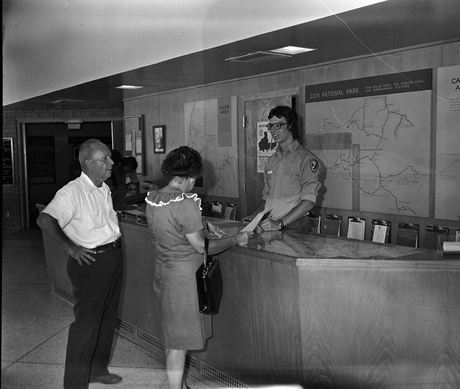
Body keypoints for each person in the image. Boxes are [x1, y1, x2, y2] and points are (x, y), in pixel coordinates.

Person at [145, 146, 250, 389]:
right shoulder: (185, 203)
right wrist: (236, 239)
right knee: (178, 345)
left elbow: (171, 224)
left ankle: (179, 385)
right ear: (190, 176)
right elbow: (202, 247)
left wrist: (201, 223)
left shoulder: (154, 198)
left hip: (164, 273)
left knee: (173, 338)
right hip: (183, 281)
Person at [36, 139, 123, 389]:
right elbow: (45, 220)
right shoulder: (71, 192)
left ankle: (96, 369)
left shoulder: (102, 187)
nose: (111, 162)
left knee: (107, 317)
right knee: (87, 322)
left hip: (113, 256)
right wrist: (71, 248)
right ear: (87, 163)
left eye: (109, 158)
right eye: (104, 159)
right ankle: (74, 382)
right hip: (91, 262)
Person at [244, 105, 322, 232]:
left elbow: (309, 201)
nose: (273, 131)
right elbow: (267, 198)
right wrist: (255, 216)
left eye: (278, 126)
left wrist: (279, 224)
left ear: (290, 125)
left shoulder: (306, 160)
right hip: (270, 224)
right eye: (271, 126)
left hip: (295, 226)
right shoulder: (271, 161)